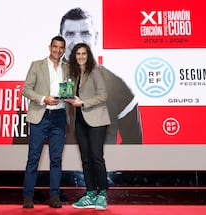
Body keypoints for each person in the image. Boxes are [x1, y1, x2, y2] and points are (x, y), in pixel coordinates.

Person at [59, 7, 143, 144]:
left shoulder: (118, 86)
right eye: (70, 34)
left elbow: (134, 145)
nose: (78, 40)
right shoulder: (46, 80)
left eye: (85, 33)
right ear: (61, 39)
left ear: (96, 37)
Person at [21, 35, 69, 209]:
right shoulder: (37, 65)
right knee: (33, 157)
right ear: (50, 47)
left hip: (59, 117)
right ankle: (28, 196)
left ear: (64, 49)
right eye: (55, 47)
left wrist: (69, 97)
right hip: (40, 116)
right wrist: (43, 99)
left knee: (56, 159)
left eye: (61, 47)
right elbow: (26, 89)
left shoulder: (68, 68)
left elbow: (70, 89)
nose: (58, 50)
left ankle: (54, 196)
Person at [65, 43, 110, 210]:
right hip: (80, 121)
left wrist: (83, 102)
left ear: (88, 55)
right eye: (78, 54)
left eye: (84, 53)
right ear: (74, 56)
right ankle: (90, 193)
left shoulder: (96, 71)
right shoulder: (76, 74)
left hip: (97, 120)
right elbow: (76, 96)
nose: (81, 56)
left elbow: (103, 95)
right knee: (85, 158)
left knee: (96, 157)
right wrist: (69, 98)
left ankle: (103, 194)